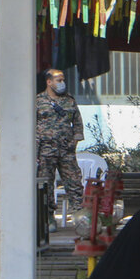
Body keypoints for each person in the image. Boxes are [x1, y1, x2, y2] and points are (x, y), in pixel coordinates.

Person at [36, 68, 83, 219]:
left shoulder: (69, 100)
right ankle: (48, 217)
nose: (63, 83)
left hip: (66, 150)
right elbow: (31, 126)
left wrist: (74, 141)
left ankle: (79, 215)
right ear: (49, 82)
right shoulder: (38, 101)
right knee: (46, 185)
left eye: (63, 80)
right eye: (59, 80)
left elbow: (77, 123)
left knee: (74, 182)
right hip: (45, 151)